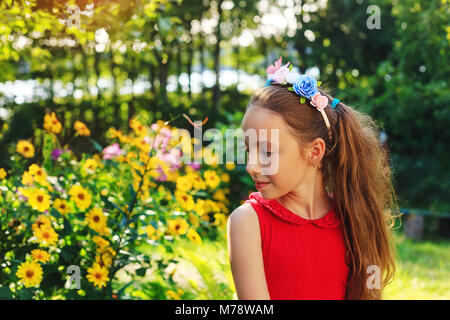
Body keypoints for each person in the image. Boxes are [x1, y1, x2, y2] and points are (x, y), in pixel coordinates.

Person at [227, 57, 399, 300]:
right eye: (248, 150)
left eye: (267, 151)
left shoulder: (354, 217)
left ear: (314, 152)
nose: (251, 166)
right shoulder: (248, 223)